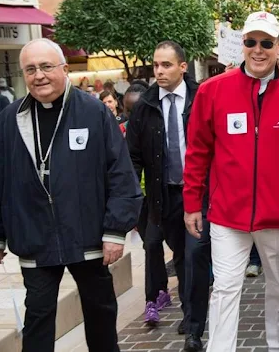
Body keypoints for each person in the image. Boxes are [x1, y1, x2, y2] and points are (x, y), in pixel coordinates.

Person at [0, 38, 142, 352]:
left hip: (87, 234)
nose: (39, 75)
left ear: (63, 68)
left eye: (46, 66)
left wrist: (115, 230)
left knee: (100, 313)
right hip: (35, 235)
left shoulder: (93, 113)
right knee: (38, 317)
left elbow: (119, 172)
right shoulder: (8, 121)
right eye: (30, 69)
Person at [183, 11, 279, 352]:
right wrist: (192, 203)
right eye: (251, 41)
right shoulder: (213, 91)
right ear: (242, 44)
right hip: (227, 214)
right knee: (225, 287)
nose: (258, 50)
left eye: (266, 43)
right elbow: (197, 152)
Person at [126, 41, 209, 352]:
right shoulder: (144, 106)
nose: (159, 71)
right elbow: (132, 156)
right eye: (156, 65)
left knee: (195, 254)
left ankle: (193, 324)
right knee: (182, 255)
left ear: (183, 67)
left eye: (166, 65)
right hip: (165, 196)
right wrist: (133, 197)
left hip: (200, 194)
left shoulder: (203, 96)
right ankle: (193, 313)